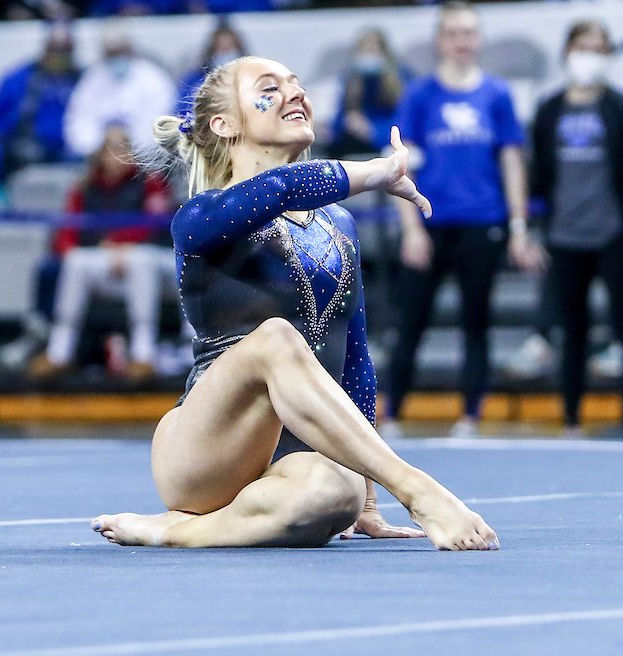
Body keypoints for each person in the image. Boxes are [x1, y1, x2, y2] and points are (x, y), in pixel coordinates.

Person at [90, 53, 498, 550]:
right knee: (276, 338)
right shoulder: (202, 217)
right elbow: (280, 189)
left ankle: (175, 531)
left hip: (292, 457)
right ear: (223, 123)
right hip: (208, 448)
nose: (295, 93)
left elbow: (355, 360)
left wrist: (366, 502)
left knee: (336, 491)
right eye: (270, 87)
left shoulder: (339, 226)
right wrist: (374, 173)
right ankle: (420, 489)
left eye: (297, 84)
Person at [382, 2, 541, 438]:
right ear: (440, 40)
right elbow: (398, 164)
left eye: (469, 33)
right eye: (453, 33)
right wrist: (411, 229)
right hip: (430, 225)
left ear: (480, 39)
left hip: (482, 223)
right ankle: (391, 414)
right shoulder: (419, 96)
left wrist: (518, 226)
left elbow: (511, 162)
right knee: (411, 322)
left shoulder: (496, 95)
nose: (461, 41)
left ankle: (470, 415)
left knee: (476, 322)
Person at [529, 20, 623, 434]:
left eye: (599, 48)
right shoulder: (549, 110)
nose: (590, 56)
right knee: (572, 331)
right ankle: (571, 417)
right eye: (583, 46)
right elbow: (538, 176)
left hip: (615, 231)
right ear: (567, 51)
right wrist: (532, 229)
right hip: (565, 234)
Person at [30, 128, 176, 381]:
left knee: (140, 261)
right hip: (103, 259)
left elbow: (157, 223)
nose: (116, 156)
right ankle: (59, 352)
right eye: (111, 150)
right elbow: (68, 229)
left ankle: (144, 353)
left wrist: (122, 244)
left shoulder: (151, 181)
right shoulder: (86, 184)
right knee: (75, 262)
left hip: (149, 259)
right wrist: (73, 250)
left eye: (122, 149)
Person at [0, 23, 81, 182]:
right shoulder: (20, 78)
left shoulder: (85, 80)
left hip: (73, 159)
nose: (58, 55)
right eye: (54, 48)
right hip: (29, 159)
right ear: (45, 47)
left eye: (64, 49)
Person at [63, 29, 178, 160]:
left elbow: (160, 122)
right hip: (99, 157)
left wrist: (126, 147)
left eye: (120, 52)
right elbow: (79, 119)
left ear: (130, 49)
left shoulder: (153, 78)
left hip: (145, 157)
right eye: (112, 54)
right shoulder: (92, 78)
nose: (117, 58)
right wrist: (100, 148)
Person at [330, 28, 412, 157]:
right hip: (354, 152)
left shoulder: (401, 78)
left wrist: (373, 131)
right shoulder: (350, 79)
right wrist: (348, 123)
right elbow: (337, 125)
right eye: (365, 52)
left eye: (374, 51)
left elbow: (407, 124)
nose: (369, 57)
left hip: (387, 151)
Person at [177, 21, 248, 108]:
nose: (226, 52)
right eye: (221, 48)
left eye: (230, 48)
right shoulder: (195, 80)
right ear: (212, 50)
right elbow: (182, 107)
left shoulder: (253, 80)